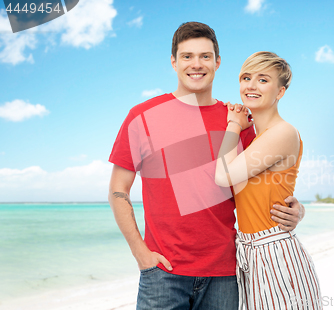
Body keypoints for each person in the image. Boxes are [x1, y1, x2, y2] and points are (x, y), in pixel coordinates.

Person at [108, 22, 305, 310]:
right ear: (174, 62)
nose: (196, 64)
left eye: (205, 56)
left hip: (225, 274)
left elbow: (262, 188)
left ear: (218, 62)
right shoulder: (142, 117)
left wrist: (297, 210)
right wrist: (140, 253)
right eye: (187, 56)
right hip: (163, 272)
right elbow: (117, 189)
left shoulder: (237, 122)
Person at [215, 52, 322, 309]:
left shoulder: (282, 132)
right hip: (252, 254)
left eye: (263, 80)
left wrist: (233, 124)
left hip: (274, 252)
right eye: (246, 78)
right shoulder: (256, 141)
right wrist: (300, 210)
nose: (251, 85)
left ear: (280, 92)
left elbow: (222, 176)